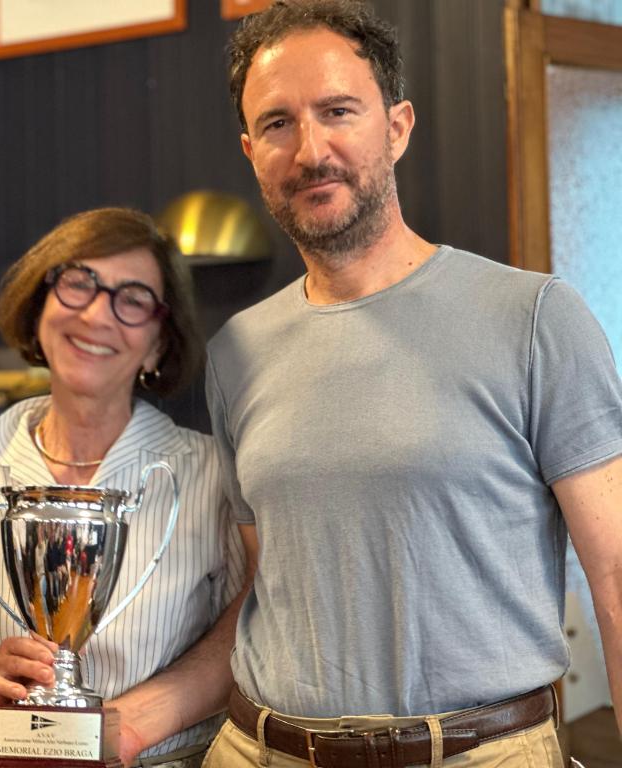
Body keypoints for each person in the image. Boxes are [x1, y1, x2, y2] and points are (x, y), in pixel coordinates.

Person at [202, 1, 622, 766]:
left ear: (396, 128)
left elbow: (617, 574)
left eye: (338, 111)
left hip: (478, 753)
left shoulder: (534, 318)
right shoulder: (235, 352)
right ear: (250, 150)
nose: (311, 150)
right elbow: (271, 575)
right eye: (278, 124)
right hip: (260, 749)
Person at [0, 208, 257, 767]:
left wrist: (129, 726)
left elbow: (248, 642)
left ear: (157, 344)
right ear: (40, 307)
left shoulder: (211, 478)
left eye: (133, 300)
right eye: (79, 283)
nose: (98, 315)